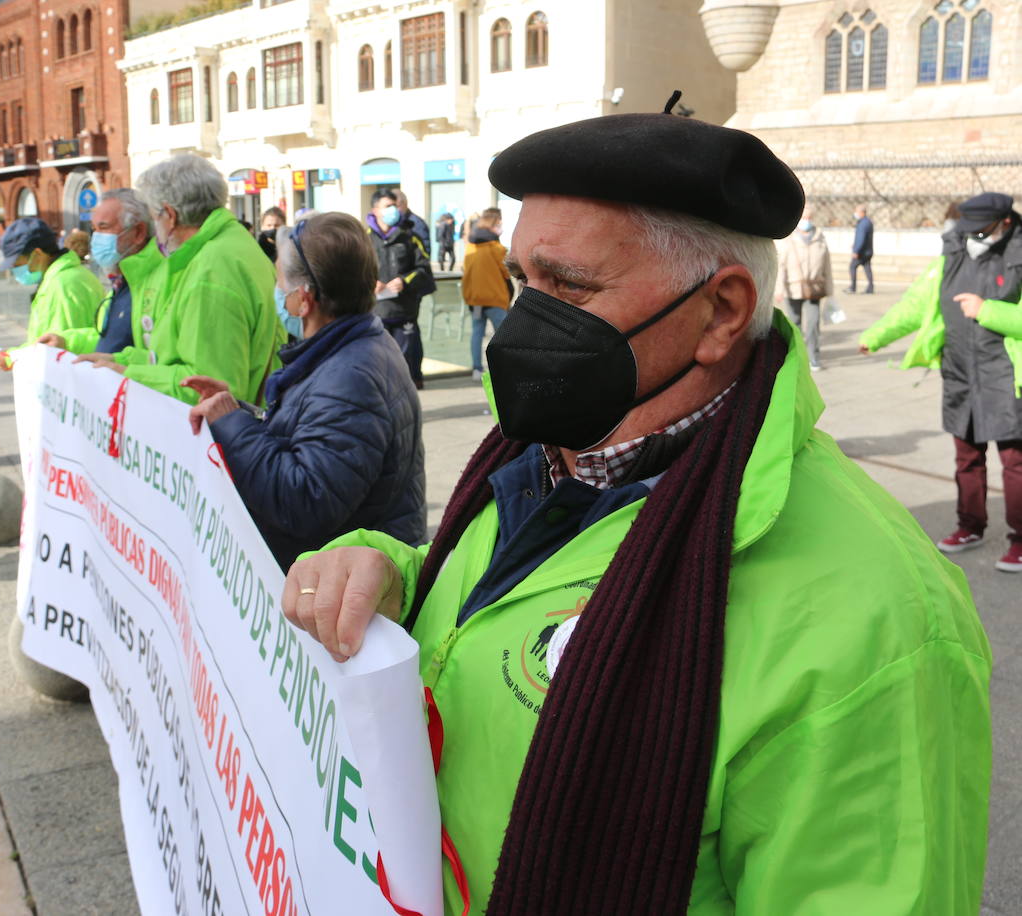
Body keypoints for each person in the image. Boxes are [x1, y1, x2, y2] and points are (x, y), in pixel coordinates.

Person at [282, 108, 990, 915]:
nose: (521, 327)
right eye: (522, 283)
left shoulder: (878, 624)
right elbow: (511, 600)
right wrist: (394, 575)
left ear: (722, 312)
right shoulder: (545, 457)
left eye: (569, 286)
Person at [181, 213, 426, 569]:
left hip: (341, 588)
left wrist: (232, 426)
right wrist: (239, 413)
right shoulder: (351, 348)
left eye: (280, 280)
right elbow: (310, 433)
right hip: (339, 574)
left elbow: (306, 500)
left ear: (303, 299)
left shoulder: (351, 375)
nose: (277, 291)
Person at [860, 190, 1022, 572]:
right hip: (960, 373)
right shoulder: (952, 253)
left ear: (1006, 223)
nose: (973, 237)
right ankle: (970, 526)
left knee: (1015, 462)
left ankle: (1020, 539)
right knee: (967, 457)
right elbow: (914, 305)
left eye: (981, 230)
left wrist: (989, 311)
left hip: (1005, 375)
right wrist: (876, 335)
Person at [75, 154, 281, 405]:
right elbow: (171, 355)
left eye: (153, 216)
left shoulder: (211, 269)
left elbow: (207, 388)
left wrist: (128, 374)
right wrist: (120, 361)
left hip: (220, 437)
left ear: (170, 215)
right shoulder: (228, 245)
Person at [37, 190, 161, 356]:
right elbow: (108, 337)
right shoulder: (122, 281)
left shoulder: (160, 279)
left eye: (104, 228)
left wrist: (121, 364)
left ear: (138, 232)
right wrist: (66, 341)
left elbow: (159, 356)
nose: (96, 238)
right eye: (94, 229)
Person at [0, 217, 104, 371]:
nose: (14, 270)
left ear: (37, 254)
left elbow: (56, 350)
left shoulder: (63, 284)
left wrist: (12, 358)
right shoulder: (60, 278)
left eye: (17, 264)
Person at [367, 189, 434, 388]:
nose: (393, 210)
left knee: (406, 359)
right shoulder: (365, 239)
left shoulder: (410, 237)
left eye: (395, 205)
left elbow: (423, 269)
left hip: (404, 311)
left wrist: (405, 281)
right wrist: (370, 282)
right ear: (375, 210)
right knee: (377, 360)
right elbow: (353, 271)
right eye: (387, 206)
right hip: (376, 313)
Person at [774, 213, 833, 370]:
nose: (806, 220)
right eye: (804, 217)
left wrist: (830, 290)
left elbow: (827, 265)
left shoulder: (820, 238)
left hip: (815, 288)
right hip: (793, 288)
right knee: (795, 324)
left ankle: (813, 357)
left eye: (809, 217)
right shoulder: (789, 239)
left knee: (813, 323)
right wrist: (779, 289)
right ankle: (796, 356)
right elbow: (781, 266)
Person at [460, 208, 511, 378]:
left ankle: (476, 368)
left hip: (475, 300)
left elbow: (465, 270)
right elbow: (507, 272)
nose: (501, 226)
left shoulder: (470, 247)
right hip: (494, 297)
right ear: (493, 224)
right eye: (499, 223)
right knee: (504, 335)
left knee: (477, 332)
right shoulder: (497, 248)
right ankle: (506, 368)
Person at [392, 188, 432, 255]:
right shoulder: (391, 223)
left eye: (396, 206)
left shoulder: (417, 224)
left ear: (405, 204)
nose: (393, 210)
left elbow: (424, 252)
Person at [848, 203, 875, 294]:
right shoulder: (867, 222)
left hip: (862, 252)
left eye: (856, 211)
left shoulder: (863, 223)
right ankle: (870, 287)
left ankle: (853, 287)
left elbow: (861, 238)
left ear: (861, 212)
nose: (855, 213)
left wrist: (856, 250)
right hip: (867, 251)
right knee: (867, 268)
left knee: (852, 266)